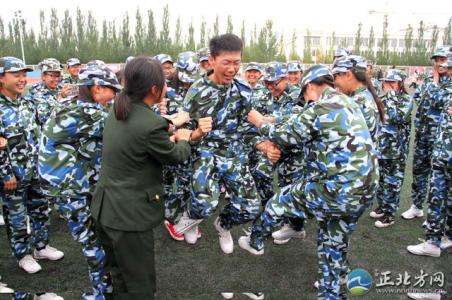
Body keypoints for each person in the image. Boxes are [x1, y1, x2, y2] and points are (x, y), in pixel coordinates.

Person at [239, 65, 379, 299]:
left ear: (311, 87)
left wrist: (258, 121)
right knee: (331, 242)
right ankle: (331, 293)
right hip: (364, 192)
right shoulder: (348, 102)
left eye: (304, 94)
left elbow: (286, 136)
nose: (305, 99)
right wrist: (273, 119)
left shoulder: (321, 108)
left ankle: (255, 241)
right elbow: (297, 119)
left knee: (279, 202)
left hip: (335, 189)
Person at [91, 56, 192, 300]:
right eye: (164, 83)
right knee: (140, 285)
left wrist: (167, 123)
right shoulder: (148, 123)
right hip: (129, 217)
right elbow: (175, 156)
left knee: (120, 277)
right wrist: (185, 136)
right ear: (155, 89)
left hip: (106, 209)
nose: (167, 87)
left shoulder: (118, 108)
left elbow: (141, 131)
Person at [174, 34, 265, 255]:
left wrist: (265, 137)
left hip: (233, 154)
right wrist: (196, 132)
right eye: (226, 62)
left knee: (251, 207)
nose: (232, 69)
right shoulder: (197, 91)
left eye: (236, 63)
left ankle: (223, 226)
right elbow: (181, 129)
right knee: (204, 205)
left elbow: (250, 122)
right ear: (212, 60)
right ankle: (192, 218)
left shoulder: (243, 90)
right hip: (204, 152)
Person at [39, 65, 122, 300]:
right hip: (70, 188)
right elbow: (127, 131)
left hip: (71, 183)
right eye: (111, 90)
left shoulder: (70, 105)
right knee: (93, 242)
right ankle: (102, 293)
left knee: (96, 238)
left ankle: (104, 288)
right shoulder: (87, 112)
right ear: (96, 89)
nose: (115, 96)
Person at [0, 56, 64, 277]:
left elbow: (40, 136)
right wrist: (6, 174)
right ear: (1, 78)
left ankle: (41, 247)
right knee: (17, 218)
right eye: (16, 75)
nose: (22, 79)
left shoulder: (27, 103)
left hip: (35, 171)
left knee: (40, 211)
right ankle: (22, 255)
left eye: (24, 75)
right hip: (13, 177)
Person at [406, 57, 451, 300]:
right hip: (441, 153)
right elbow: (423, 101)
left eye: (444, 64)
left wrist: (434, 81)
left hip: (444, 152)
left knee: (441, 199)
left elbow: (434, 99)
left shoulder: (443, 87)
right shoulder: (442, 86)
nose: (440, 67)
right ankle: (434, 241)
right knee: (436, 197)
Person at [249, 62, 305, 245]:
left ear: (286, 78)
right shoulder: (261, 94)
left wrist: (264, 121)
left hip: (294, 150)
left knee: (290, 188)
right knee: (260, 172)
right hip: (270, 146)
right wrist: (266, 146)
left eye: (275, 83)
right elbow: (250, 124)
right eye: (267, 83)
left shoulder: (300, 95)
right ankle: (270, 215)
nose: (271, 87)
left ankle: (295, 226)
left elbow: (291, 125)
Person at [402, 46, 452, 220]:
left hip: (441, 138)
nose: (439, 63)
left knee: (438, 177)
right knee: (419, 170)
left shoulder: (448, 82)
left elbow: (438, 101)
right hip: (423, 132)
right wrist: (432, 82)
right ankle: (417, 206)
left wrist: (435, 82)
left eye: (442, 59)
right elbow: (418, 97)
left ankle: (436, 218)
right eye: (437, 60)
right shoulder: (432, 79)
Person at [371, 69, 413, 228]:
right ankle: (382, 206)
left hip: (396, 151)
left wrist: (391, 96)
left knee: (393, 182)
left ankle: (390, 214)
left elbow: (398, 118)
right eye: (385, 82)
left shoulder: (406, 100)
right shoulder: (381, 99)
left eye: (391, 82)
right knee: (381, 181)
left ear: (400, 84)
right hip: (380, 148)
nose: (387, 85)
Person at [332, 55, 385, 143]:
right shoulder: (365, 95)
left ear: (348, 74)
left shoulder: (355, 102)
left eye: (335, 77)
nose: (334, 82)